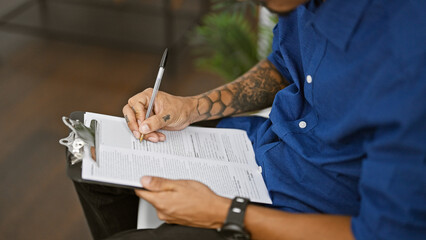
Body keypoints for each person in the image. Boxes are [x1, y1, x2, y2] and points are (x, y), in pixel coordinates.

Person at [73, 0, 426, 239]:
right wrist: (191, 106)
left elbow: (384, 234)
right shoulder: (300, 5)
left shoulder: (408, 61)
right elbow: (284, 65)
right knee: (92, 160)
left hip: (312, 213)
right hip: (264, 147)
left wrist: (226, 213)